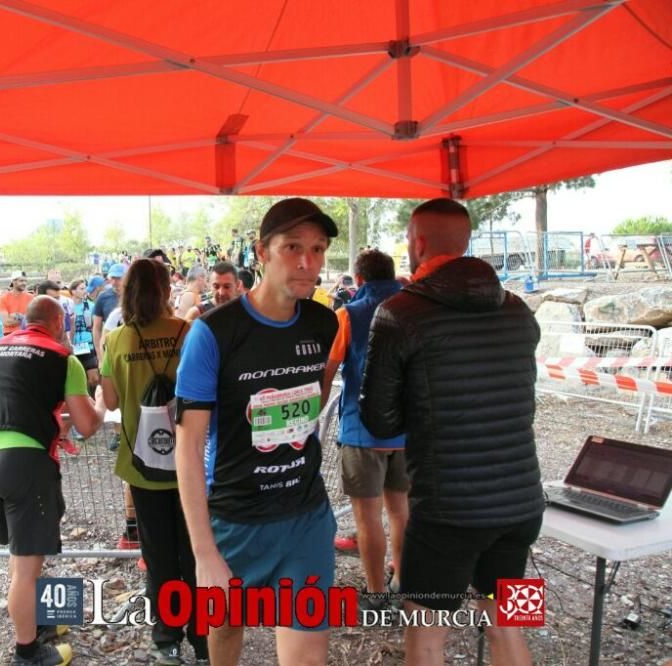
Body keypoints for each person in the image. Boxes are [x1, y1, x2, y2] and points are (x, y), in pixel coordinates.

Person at [358, 198, 543, 666]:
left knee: (425, 635)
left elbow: (379, 421)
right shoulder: (519, 310)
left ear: (417, 243)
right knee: (510, 623)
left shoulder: (400, 313)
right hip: (522, 505)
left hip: (448, 511)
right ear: (465, 243)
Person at [175, 198, 339, 665]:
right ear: (261, 252)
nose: (308, 261)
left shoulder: (323, 322)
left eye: (318, 248)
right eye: (292, 247)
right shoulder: (214, 333)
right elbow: (187, 448)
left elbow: (314, 398)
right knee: (226, 631)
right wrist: (203, 552)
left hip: (305, 516)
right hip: (235, 520)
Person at [0, 296, 107, 666]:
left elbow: (13, 402)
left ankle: (40, 619)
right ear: (59, 322)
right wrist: (103, 403)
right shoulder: (64, 359)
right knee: (26, 568)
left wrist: (49, 423)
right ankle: (27, 652)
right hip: (22, 463)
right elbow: (88, 425)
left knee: (18, 553)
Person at [100, 259, 206, 665]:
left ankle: (166, 639)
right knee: (195, 551)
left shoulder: (116, 340)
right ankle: (202, 637)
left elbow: (109, 402)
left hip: (140, 466)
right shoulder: (187, 332)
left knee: (159, 556)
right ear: (166, 290)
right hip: (189, 464)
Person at [321, 249, 407, 609]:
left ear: (359, 279)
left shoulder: (347, 315)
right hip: (405, 430)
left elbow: (327, 372)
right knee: (401, 510)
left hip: (360, 430)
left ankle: (375, 592)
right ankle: (402, 579)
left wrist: (313, 412)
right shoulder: (413, 310)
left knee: (367, 516)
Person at [69, 279, 99, 390]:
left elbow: (95, 327)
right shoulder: (67, 305)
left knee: (94, 379)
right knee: (75, 379)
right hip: (72, 346)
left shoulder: (90, 306)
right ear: (73, 291)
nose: (85, 291)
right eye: (81, 288)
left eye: (85, 288)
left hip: (88, 345)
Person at [91, 264, 124, 362]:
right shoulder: (103, 297)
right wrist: (100, 356)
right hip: (110, 349)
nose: (114, 282)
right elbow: (97, 328)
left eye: (118, 278)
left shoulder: (135, 296)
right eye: (112, 278)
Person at [0, 271, 33, 338]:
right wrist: (24, 318)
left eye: (25, 281)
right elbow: (6, 322)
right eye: (21, 281)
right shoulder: (3, 298)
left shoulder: (31, 297)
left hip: (26, 334)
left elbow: (32, 320)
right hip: (10, 335)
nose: (24, 283)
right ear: (13, 281)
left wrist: (17, 317)